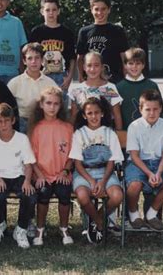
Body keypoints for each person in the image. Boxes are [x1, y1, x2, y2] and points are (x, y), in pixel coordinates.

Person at [69, 97, 124, 244]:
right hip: (84, 173)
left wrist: (103, 181)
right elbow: (77, 163)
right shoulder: (79, 134)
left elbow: (112, 161)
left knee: (117, 196)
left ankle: (96, 218)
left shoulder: (110, 133)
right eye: (90, 113)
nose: (93, 116)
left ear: (102, 114)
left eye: (96, 113)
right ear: (84, 115)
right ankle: (99, 222)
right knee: (82, 196)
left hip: (106, 172)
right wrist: (92, 181)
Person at [124, 90, 163, 230]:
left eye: (155, 109)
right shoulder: (134, 127)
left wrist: (159, 173)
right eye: (148, 109)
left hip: (159, 163)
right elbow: (135, 155)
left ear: (160, 109)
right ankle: (133, 214)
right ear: (140, 109)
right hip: (137, 164)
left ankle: (151, 214)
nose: (152, 113)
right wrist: (149, 173)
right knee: (134, 185)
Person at [27, 86, 74, 246]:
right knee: (43, 194)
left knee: (64, 194)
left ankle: (64, 228)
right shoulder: (36, 129)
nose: (52, 107)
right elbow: (31, 157)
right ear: (41, 105)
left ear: (61, 106)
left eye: (56, 104)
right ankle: (40, 230)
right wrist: (39, 175)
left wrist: (66, 171)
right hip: (41, 174)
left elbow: (72, 156)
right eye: (48, 103)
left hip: (61, 173)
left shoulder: (67, 128)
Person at [0, 103, 36, 249]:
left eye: (7, 120)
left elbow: (28, 165)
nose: (4, 125)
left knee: (30, 195)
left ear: (13, 120)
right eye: (0, 122)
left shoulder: (22, 139)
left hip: (18, 176)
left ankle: (21, 229)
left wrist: (27, 181)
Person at [76, 0, 129, 84]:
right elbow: (80, 58)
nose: (100, 12)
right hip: (91, 80)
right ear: (91, 9)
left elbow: (124, 57)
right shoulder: (84, 32)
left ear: (109, 9)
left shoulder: (118, 31)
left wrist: (126, 78)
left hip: (114, 80)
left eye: (103, 9)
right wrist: (81, 76)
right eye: (96, 9)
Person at [29, 0, 76, 97]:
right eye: (47, 10)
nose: (51, 13)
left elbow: (72, 58)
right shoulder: (36, 32)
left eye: (54, 10)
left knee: (60, 109)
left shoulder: (67, 33)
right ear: (42, 11)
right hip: (42, 75)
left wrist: (69, 78)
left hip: (61, 76)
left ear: (58, 11)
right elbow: (30, 56)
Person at [7, 42, 57, 133]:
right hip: (21, 123)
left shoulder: (50, 83)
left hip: (44, 123)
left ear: (42, 60)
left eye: (37, 58)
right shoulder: (15, 83)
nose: (34, 61)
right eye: (30, 58)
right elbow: (6, 107)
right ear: (24, 61)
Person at [70, 51, 123, 130]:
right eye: (89, 65)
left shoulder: (109, 88)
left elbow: (117, 116)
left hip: (106, 135)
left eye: (96, 65)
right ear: (84, 67)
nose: (92, 69)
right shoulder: (77, 90)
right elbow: (73, 116)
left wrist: (119, 135)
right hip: (83, 136)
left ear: (102, 67)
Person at [116, 47, 163, 130]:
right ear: (125, 65)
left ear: (143, 65)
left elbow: (161, 111)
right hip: (127, 133)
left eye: (138, 63)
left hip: (150, 132)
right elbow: (116, 114)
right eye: (131, 63)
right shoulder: (118, 87)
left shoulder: (152, 86)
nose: (134, 67)